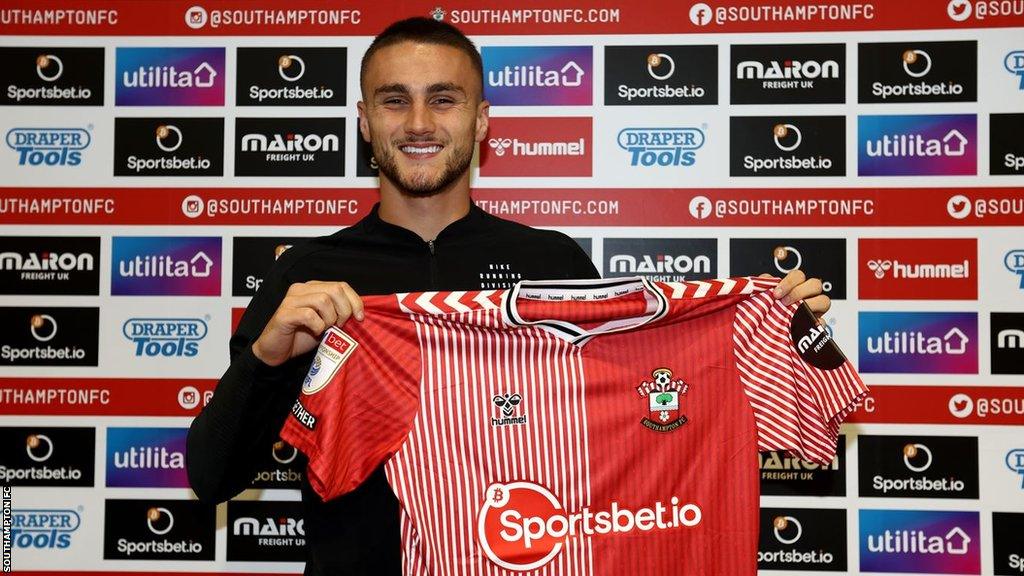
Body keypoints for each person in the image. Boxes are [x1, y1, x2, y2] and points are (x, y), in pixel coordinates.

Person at [186, 17, 830, 576]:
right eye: (393, 101)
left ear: (482, 119)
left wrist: (781, 335)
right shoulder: (309, 274)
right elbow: (211, 478)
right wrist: (268, 359)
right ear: (361, 120)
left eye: (443, 100)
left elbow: (642, 419)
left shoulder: (552, 262)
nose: (417, 123)